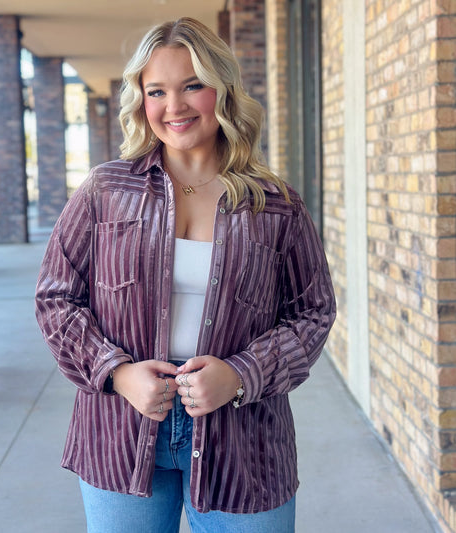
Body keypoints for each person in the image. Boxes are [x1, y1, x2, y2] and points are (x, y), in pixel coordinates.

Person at [35, 17, 336, 533]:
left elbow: (313, 313)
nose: (174, 106)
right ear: (142, 100)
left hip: (242, 442)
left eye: (192, 85)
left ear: (223, 90)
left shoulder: (276, 204)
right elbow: (56, 299)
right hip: (122, 430)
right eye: (157, 91)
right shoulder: (107, 190)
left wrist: (241, 375)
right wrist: (117, 372)